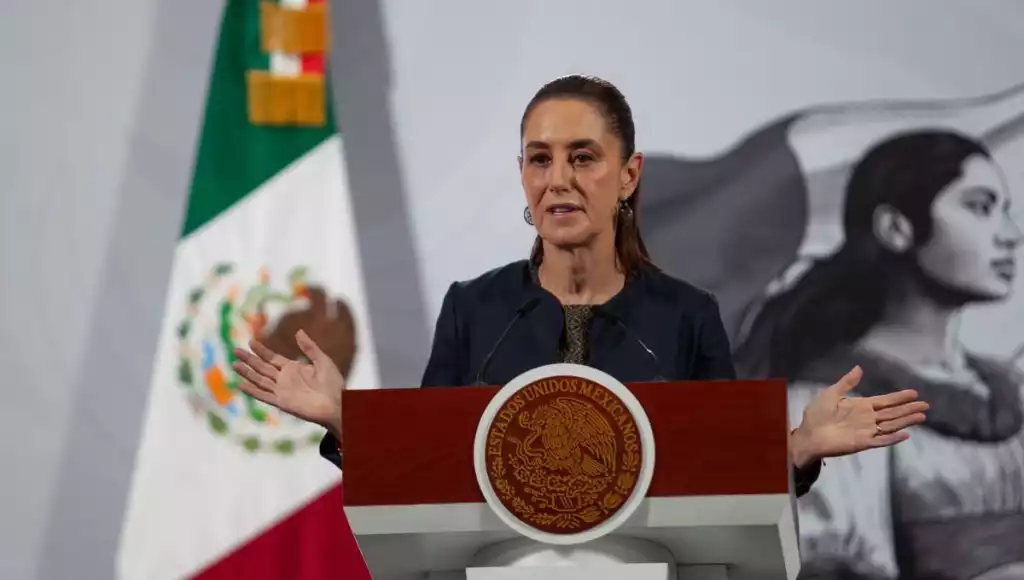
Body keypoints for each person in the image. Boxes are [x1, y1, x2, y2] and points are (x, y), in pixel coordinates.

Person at [231, 74, 928, 498]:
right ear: (522, 175)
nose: (558, 179)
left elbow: (723, 476)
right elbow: (425, 472)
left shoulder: (687, 316)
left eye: (583, 157)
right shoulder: (474, 308)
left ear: (628, 175)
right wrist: (343, 418)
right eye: (539, 159)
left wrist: (798, 447)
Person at [734, 130, 1024, 579]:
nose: (1011, 236)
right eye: (980, 207)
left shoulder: (1009, 387)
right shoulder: (830, 406)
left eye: (1005, 211)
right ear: (896, 228)